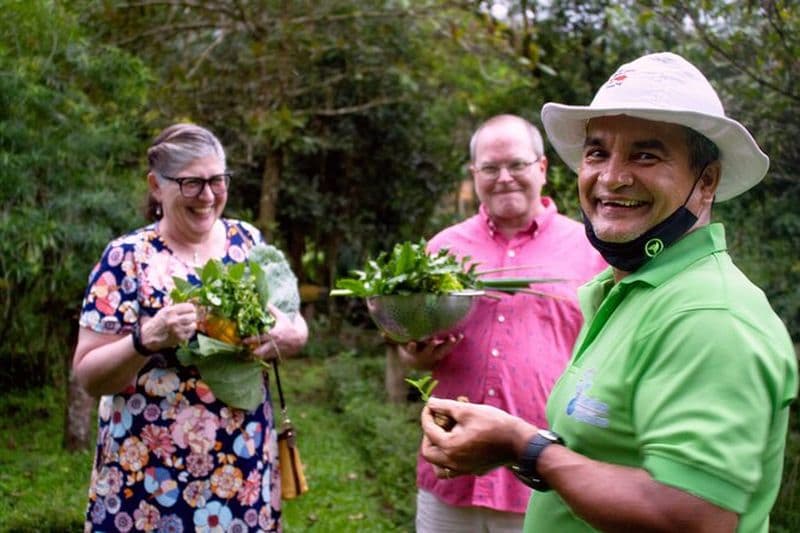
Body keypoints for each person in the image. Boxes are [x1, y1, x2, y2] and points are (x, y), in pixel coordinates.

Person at [420, 52, 798, 533]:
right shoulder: (625, 292)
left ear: (707, 183)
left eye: (646, 154)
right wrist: (514, 440)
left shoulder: (710, 315)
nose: (611, 177)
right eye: (597, 152)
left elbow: (691, 517)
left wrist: (523, 446)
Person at [73, 123, 308, 532]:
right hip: (145, 483)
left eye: (218, 181)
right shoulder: (126, 259)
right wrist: (145, 339)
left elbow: (293, 321)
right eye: (192, 183)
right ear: (155, 186)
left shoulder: (247, 241)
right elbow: (89, 376)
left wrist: (290, 336)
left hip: (240, 473)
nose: (208, 196)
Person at [398, 114, 607, 531]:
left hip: (543, 476)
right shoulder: (442, 249)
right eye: (490, 168)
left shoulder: (591, 249)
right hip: (450, 470)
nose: (504, 178)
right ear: (475, 174)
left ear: (542, 169)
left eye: (516, 165)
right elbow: (413, 352)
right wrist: (414, 351)